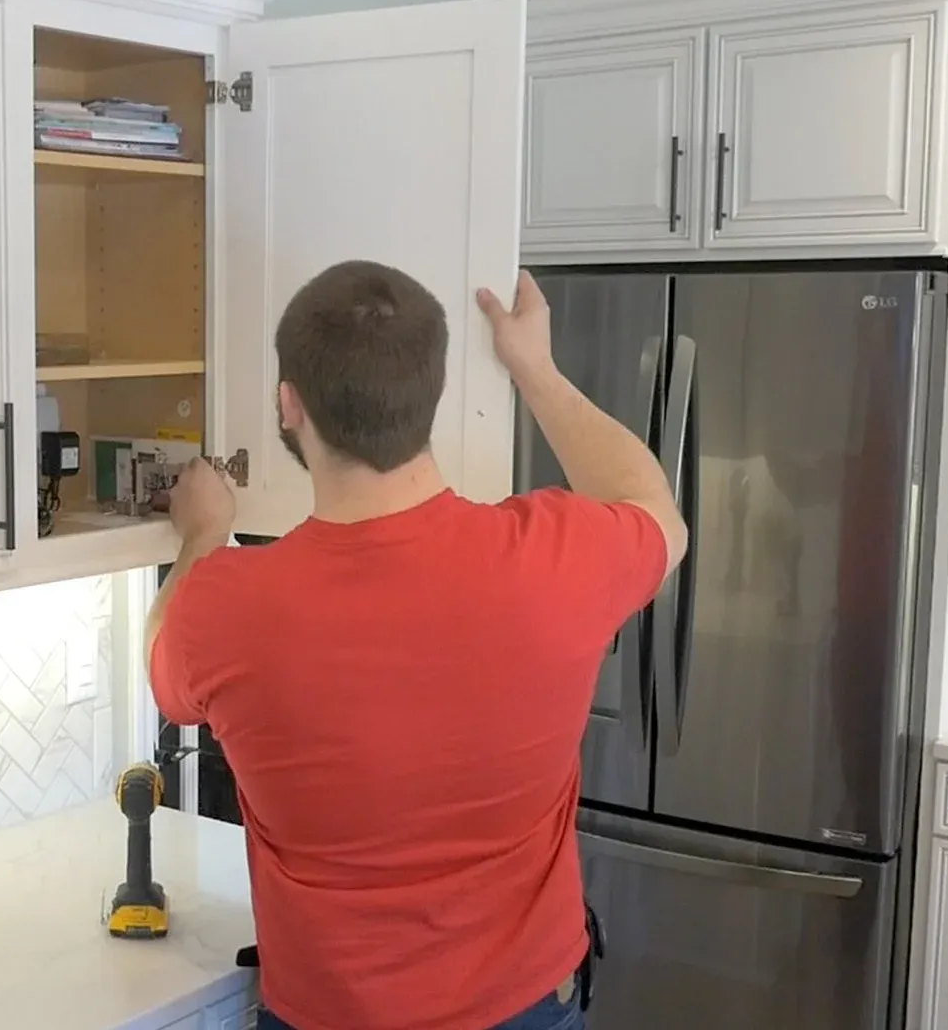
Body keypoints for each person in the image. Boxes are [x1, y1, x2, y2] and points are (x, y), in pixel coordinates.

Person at [147, 262, 688, 1030]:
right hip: (530, 1006)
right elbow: (659, 514)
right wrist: (536, 370)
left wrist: (202, 533)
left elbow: (163, 664)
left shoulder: (227, 606)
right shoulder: (553, 556)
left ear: (288, 405)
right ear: (432, 396)